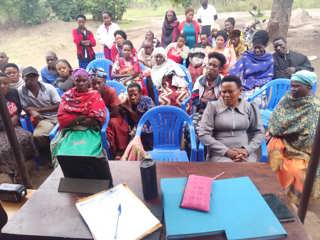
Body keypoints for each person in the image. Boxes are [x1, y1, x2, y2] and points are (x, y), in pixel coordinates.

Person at [268, 70, 320, 202]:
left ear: (308, 87)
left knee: (295, 170)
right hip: (282, 140)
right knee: (274, 151)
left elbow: (310, 137)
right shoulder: (287, 98)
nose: (293, 89)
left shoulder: (314, 108)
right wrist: (281, 132)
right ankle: (272, 188)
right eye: (292, 85)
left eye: (297, 86)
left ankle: (290, 200)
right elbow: (275, 120)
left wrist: (285, 132)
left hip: (303, 150)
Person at [198, 75, 264, 162]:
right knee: (228, 169)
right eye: (223, 92)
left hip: (244, 154)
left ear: (240, 91)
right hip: (220, 154)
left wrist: (247, 150)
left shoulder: (249, 107)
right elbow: (203, 134)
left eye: (230, 91)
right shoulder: (213, 107)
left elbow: (259, 132)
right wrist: (226, 151)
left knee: (249, 169)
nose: (226, 95)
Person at [52, 69, 107, 163]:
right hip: (71, 131)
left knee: (87, 154)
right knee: (64, 154)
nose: (81, 83)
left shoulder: (95, 95)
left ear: (89, 81)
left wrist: (74, 119)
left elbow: (96, 119)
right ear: (74, 81)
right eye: (78, 81)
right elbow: (62, 119)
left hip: (90, 131)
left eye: (84, 80)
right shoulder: (67, 96)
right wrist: (82, 117)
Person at [0, 72, 37, 183]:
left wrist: (15, 116)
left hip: (14, 127)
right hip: (2, 129)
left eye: (5, 83)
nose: (2, 86)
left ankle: (25, 164)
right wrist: (7, 123)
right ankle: (9, 171)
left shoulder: (13, 92)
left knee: (27, 136)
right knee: (4, 148)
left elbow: (18, 108)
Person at [18, 66, 60, 158]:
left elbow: (58, 105)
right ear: (23, 78)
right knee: (38, 136)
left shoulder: (48, 88)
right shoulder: (21, 91)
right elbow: (24, 107)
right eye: (27, 77)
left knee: (63, 133)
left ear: (37, 77)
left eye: (33, 76)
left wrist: (38, 110)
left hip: (57, 115)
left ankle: (59, 152)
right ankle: (50, 154)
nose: (30, 79)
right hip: (43, 119)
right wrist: (31, 111)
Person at [91, 68, 129, 159]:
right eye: (93, 83)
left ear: (104, 82)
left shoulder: (110, 91)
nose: (96, 86)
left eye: (99, 83)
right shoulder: (91, 92)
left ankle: (120, 149)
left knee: (114, 123)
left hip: (112, 116)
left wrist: (103, 117)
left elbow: (115, 112)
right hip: (97, 117)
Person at [120, 83, 154, 151]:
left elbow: (147, 120)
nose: (133, 97)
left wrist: (128, 108)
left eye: (135, 95)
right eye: (130, 95)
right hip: (134, 129)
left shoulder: (147, 101)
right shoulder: (126, 102)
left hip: (148, 128)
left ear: (140, 93)